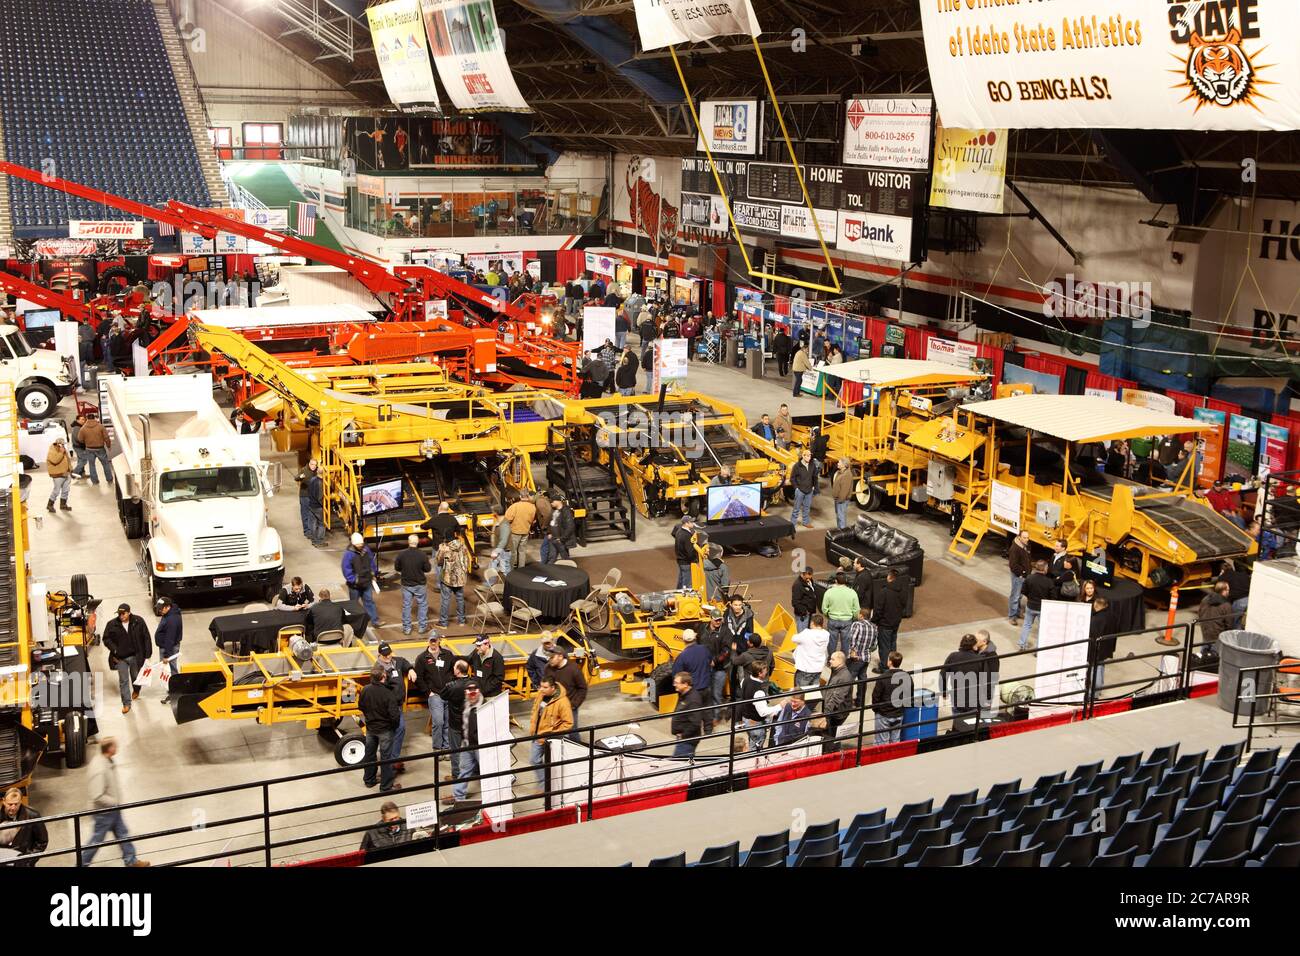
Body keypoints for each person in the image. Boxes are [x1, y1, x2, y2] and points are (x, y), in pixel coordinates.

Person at [81, 739, 149, 866]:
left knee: (122, 833)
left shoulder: (107, 761)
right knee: (97, 839)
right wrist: (114, 802)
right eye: (115, 746)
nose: (117, 748)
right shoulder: (99, 768)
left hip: (112, 809)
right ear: (109, 748)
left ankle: (131, 861)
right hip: (104, 811)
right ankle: (82, 863)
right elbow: (97, 795)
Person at [102, 603, 152, 714]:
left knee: (135, 677)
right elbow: (106, 638)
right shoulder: (112, 624)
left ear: (129, 612)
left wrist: (147, 655)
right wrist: (114, 650)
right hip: (120, 658)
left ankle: (136, 689)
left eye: (123, 613)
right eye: (119, 614)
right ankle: (126, 703)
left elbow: (146, 637)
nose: (121, 616)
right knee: (123, 681)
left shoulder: (138, 621)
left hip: (135, 656)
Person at [359, 664, 402, 793]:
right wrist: (392, 727)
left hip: (371, 728)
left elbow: (361, 706)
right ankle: (386, 786)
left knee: (370, 754)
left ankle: (369, 780)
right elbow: (395, 716)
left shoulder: (365, 690)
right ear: (384, 676)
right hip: (385, 730)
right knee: (386, 757)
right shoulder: (388, 694)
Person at [528, 678, 574, 789]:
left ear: (553, 688)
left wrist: (552, 733)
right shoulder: (541, 694)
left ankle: (554, 786)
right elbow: (535, 710)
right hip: (537, 735)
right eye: (540, 686)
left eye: (545, 687)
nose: (541, 689)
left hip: (552, 738)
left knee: (555, 764)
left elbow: (568, 723)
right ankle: (545, 784)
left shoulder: (563, 702)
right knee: (534, 760)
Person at [414, 633, 456, 750]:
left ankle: (446, 747)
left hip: (448, 693)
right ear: (428, 641)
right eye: (431, 640)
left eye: (435, 640)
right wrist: (428, 692)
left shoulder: (447, 654)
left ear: (439, 641)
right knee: (438, 722)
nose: (433, 643)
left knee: (448, 723)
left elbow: (454, 670)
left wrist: (453, 685)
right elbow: (419, 678)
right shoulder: (422, 658)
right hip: (435, 695)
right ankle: (437, 749)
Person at [941, 634, 986, 733]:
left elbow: (942, 675)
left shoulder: (953, 656)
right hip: (974, 700)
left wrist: (944, 692)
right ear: (974, 646)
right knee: (972, 727)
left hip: (958, 699)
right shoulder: (979, 660)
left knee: (958, 725)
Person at [393, 535, 431, 635]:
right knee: (422, 605)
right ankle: (422, 627)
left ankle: (407, 628)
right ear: (417, 542)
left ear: (408, 542)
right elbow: (428, 569)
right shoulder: (422, 555)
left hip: (406, 584)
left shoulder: (402, 554)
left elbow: (397, 568)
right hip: (420, 584)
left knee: (407, 606)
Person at [0, 787, 48, 866]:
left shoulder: (33, 816)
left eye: (16, 804)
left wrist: (28, 861)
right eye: (10, 804)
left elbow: (42, 842)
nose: (13, 807)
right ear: (4, 801)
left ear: (21, 802)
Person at [872, 651, 911, 745]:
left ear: (889, 662)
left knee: (881, 743)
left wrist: (877, 710)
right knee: (895, 742)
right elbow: (909, 696)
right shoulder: (907, 677)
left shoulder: (882, 678)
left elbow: (875, 697)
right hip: (899, 714)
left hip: (884, 715)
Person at [342, 533, 380, 626]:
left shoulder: (366, 550)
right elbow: (346, 569)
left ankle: (375, 621)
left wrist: (373, 573)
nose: (360, 546)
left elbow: (371, 562)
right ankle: (354, 623)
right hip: (355, 586)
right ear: (354, 544)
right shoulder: (348, 554)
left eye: (361, 544)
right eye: (358, 544)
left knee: (369, 602)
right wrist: (354, 580)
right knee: (354, 605)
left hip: (366, 582)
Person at [544, 649, 588, 729]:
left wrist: (574, 705)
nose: (549, 660)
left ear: (560, 657)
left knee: (572, 731)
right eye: (548, 658)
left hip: (569, 706)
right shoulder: (548, 668)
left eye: (552, 658)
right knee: (555, 731)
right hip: (554, 706)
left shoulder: (573, 669)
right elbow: (546, 686)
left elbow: (582, 688)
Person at [872, 569, 906, 672]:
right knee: (892, 643)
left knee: (884, 646)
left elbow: (878, 610)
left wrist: (874, 620)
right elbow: (904, 605)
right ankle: (893, 664)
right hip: (896, 623)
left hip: (885, 624)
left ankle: (884, 667)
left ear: (889, 577)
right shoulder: (902, 590)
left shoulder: (884, 592)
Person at [1019, 559, 1056, 651]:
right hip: (1042, 608)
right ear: (1045, 568)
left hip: (1030, 606)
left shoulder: (1029, 578)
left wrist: (1030, 597)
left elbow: (1023, 591)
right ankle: (1037, 649)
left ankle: (1022, 644)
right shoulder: (1049, 582)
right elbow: (1053, 596)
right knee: (1041, 628)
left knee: (1026, 625)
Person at [820, 569, 860, 655]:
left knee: (832, 642)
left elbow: (824, 608)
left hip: (832, 620)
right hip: (847, 621)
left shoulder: (829, 592)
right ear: (846, 581)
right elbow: (857, 610)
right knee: (845, 642)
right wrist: (853, 617)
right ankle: (843, 660)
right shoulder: (852, 593)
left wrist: (828, 615)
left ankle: (831, 659)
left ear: (835, 581)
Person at [434, 533, 468, 628]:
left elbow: (439, 562)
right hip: (460, 578)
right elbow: (466, 560)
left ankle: (443, 623)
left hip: (447, 578)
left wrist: (441, 550)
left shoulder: (444, 548)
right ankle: (462, 620)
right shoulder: (462, 545)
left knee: (445, 600)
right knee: (460, 599)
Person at [845, 606, 877, 708]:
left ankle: (847, 703)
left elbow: (851, 638)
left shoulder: (857, 624)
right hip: (866, 658)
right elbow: (874, 645)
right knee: (862, 679)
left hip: (856, 658)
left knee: (849, 680)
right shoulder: (874, 627)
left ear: (861, 616)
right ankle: (860, 702)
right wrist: (866, 651)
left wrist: (853, 651)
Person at [153, 596, 182, 704]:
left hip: (169, 648)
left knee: (170, 670)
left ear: (167, 607)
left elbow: (170, 638)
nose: (159, 611)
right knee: (170, 670)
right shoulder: (170, 613)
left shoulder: (172, 619)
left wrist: (166, 655)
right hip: (168, 647)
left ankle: (175, 693)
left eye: (161, 608)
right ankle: (175, 691)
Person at [669, 672, 706, 757]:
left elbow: (695, 723)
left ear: (685, 684)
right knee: (685, 763)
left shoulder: (693, 700)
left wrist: (683, 735)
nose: (674, 685)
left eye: (676, 683)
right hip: (684, 739)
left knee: (679, 764)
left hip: (687, 740)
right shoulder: (683, 694)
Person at [70, 410, 111, 485]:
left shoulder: (83, 428)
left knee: (92, 466)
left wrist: (87, 443)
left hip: (89, 449)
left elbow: (80, 439)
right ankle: (109, 479)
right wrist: (108, 446)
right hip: (100, 448)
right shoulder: (100, 426)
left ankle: (95, 481)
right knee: (105, 464)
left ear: (87, 419)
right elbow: (106, 437)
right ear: (94, 418)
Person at [791, 613, 830, 688]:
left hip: (805, 669)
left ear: (812, 623)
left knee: (800, 694)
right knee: (813, 693)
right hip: (818, 669)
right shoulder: (826, 634)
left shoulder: (807, 633)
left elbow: (793, 638)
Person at [822, 651, 855, 738]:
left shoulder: (845, 677)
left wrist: (825, 714)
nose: (830, 661)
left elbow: (837, 698)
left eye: (832, 659)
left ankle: (832, 748)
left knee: (831, 734)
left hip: (838, 713)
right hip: (833, 711)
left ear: (840, 661)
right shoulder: (836, 670)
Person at [1089, 596, 1116, 692]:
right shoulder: (1112, 615)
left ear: (1095, 605)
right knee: (1100, 667)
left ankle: (1094, 693)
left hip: (1097, 649)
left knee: (1095, 670)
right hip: (1107, 647)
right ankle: (1098, 689)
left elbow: (1093, 635)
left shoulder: (1097, 619)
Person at [503, 494, 537, 570]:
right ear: (527, 497)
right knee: (522, 551)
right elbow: (533, 520)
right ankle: (521, 568)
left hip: (515, 532)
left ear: (520, 496)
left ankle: (511, 569)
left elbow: (507, 519)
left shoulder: (514, 506)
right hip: (525, 531)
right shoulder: (532, 507)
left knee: (513, 551)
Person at [540, 495, 577, 564]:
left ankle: (568, 573)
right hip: (553, 539)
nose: (551, 503)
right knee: (552, 558)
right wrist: (549, 533)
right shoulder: (553, 510)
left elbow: (570, 527)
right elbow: (550, 523)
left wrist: (562, 539)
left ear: (558, 501)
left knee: (565, 559)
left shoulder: (566, 511)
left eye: (552, 501)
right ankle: (549, 572)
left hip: (561, 540)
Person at [1197, 581, 1236, 645]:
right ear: (1224, 591)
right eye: (1228, 590)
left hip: (1205, 632)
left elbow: (1200, 612)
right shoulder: (1226, 605)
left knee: (1205, 649)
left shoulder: (1205, 599)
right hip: (1218, 636)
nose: (1229, 592)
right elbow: (1229, 624)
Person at [298, 459, 325, 547]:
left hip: (311, 503)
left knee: (312, 522)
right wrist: (323, 505)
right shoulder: (320, 482)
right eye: (312, 464)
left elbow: (310, 490)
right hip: (315, 504)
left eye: (315, 465)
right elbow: (320, 497)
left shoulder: (313, 478)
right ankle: (319, 541)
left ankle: (313, 539)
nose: (313, 466)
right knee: (321, 523)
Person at [974, 630, 999, 723]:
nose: (974, 641)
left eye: (976, 640)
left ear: (984, 641)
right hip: (975, 691)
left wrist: (988, 697)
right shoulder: (976, 651)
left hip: (985, 693)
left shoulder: (992, 656)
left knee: (983, 719)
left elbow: (993, 677)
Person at [1007, 529, 1032, 625]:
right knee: (1015, 596)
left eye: (1027, 537)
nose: (1026, 539)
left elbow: (1028, 559)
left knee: (1020, 596)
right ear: (1019, 537)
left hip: (1025, 575)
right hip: (1018, 576)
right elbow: (1013, 565)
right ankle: (1012, 616)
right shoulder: (1015, 549)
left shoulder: (1027, 546)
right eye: (1024, 538)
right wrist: (1022, 573)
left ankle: (1017, 612)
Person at [790, 448, 816, 528]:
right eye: (807, 456)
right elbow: (792, 478)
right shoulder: (797, 466)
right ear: (803, 456)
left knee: (807, 508)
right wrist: (796, 488)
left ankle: (805, 522)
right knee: (796, 508)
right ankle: (792, 524)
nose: (809, 457)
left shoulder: (812, 465)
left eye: (810, 456)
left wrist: (813, 486)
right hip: (800, 491)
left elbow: (814, 476)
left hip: (809, 490)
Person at [45, 437, 72, 513]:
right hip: (58, 474)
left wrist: (70, 469)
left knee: (66, 490)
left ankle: (63, 505)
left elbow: (68, 459)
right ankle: (50, 505)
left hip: (66, 473)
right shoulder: (52, 451)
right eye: (62, 444)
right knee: (56, 490)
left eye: (63, 444)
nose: (63, 446)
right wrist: (61, 452)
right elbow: (55, 461)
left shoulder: (62, 449)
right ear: (57, 444)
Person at [672, 514, 698, 590]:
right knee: (687, 583)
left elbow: (673, 534)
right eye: (691, 522)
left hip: (681, 560)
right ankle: (684, 598)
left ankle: (678, 594)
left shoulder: (679, 530)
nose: (693, 523)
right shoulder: (686, 535)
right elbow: (689, 551)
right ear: (686, 523)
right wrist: (695, 559)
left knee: (681, 580)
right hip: (686, 562)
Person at [791, 567, 819, 634]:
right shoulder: (797, 585)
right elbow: (795, 602)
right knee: (802, 634)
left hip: (809, 612)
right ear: (803, 574)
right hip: (802, 615)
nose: (808, 579)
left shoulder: (809, 580)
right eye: (807, 578)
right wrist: (804, 611)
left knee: (808, 633)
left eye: (810, 577)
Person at [829, 457, 854, 529]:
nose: (838, 463)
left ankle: (843, 533)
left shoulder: (847, 475)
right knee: (839, 516)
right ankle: (839, 531)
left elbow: (844, 490)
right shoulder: (840, 472)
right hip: (838, 499)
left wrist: (840, 500)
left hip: (841, 500)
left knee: (841, 517)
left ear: (844, 465)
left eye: (839, 462)